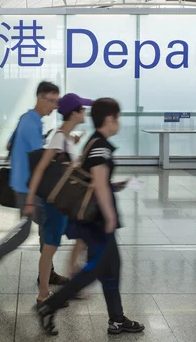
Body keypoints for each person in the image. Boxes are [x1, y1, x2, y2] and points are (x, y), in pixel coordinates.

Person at [35, 98, 145, 336]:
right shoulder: (100, 145)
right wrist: (110, 218)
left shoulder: (94, 142)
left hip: (96, 219)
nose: (119, 123)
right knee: (95, 269)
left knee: (112, 267)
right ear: (109, 119)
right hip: (97, 221)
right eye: (118, 118)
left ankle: (116, 319)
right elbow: (100, 184)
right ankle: (48, 306)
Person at [0, 81, 69, 287]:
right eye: (52, 100)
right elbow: (40, 161)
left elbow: (10, 144)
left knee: (44, 228)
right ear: (40, 97)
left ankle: (48, 273)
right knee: (28, 232)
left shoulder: (27, 118)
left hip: (23, 183)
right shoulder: (32, 123)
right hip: (27, 187)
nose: (55, 106)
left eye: (57, 101)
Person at [25, 94, 92, 303]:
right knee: (50, 247)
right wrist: (29, 200)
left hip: (66, 203)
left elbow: (66, 166)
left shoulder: (65, 137)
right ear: (74, 113)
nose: (85, 113)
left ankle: (74, 285)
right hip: (55, 204)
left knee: (81, 237)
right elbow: (41, 168)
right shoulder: (58, 136)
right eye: (82, 109)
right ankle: (43, 294)